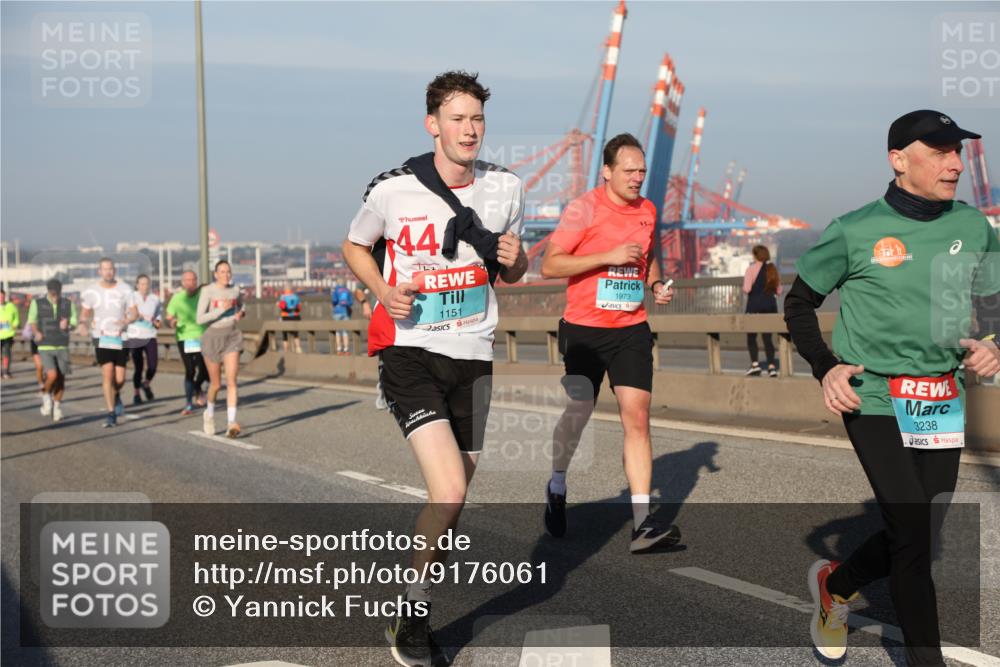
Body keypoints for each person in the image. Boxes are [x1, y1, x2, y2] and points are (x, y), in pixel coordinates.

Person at [784, 109, 1000, 665]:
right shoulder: (855, 229)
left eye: (958, 151)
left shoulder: (974, 227)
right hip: (875, 396)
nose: (956, 163)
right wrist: (826, 366)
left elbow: (992, 301)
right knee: (910, 530)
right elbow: (799, 302)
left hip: (941, 398)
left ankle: (836, 586)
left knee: (920, 532)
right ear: (899, 160)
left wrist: (993, 340)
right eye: (940, 151)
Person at [342, 70, 526, 667]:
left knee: (455, 497)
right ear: (433, 125)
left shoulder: (506, 190)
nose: (469, 130)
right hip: (411, 352)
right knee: (446, 489)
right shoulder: (392, 190)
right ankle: (415, 615)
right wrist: (383, 288)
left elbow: (513, 272)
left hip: (474, 357)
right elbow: (353, 246)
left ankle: (407, 601)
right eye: (458, 119)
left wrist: (519, 260)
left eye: (477, 119)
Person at [540, 132, 679, 554]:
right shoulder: (583, 209)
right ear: (607, 171)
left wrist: (654, 281)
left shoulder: (648, 210)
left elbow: (646, 253)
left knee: (636, 416)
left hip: (631, 328)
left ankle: (642, 524)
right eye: (629, 170)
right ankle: (557, 482)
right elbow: (550, 264)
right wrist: (607, 256)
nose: (637, 178)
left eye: (642, 170)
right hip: (584, 330)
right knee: (579, 411)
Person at [79, 258, 138, 428]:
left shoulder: (125, 289)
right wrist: (83, 324)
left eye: (110, 269)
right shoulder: (92, 291)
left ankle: (116, 393)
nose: (108, 272)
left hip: (120, 337)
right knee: (108, 373)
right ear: (99, 271)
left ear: (115, 270)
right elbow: (85, 313)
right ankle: (111, 413)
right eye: (104, 269)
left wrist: (128, 320)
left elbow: (134, 313)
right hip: (102, 336)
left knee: (119, 379)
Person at [197, 260, 245, 438]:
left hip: (231, 336)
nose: (226, 275)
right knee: (216, 384)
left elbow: (240, 304)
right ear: (215, 274)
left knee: (232, 381)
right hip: (212, 337)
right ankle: (209, 415)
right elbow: (200, 319)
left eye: (228, 272)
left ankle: (231, 422)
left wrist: (240, 312)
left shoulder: (235, 290)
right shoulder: (208, 290)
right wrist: (219, 310)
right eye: (222, 272)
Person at [28, 279, 77, 422]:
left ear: (61, 291)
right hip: (45, 346)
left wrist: (68, 325)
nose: (54, 296)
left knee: (61, 379)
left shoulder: (69, 304)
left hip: (63, 346)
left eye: (57, 293)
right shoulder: (37, 303)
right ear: (48, 291)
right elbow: (32, 321)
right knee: (52, 375)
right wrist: (36, 332)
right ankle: (46, 395)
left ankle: (57, 407)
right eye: (52, 293)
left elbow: (74, 322)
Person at [165, 270, 209, 415]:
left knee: (204, 369)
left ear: (196, 281)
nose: (190, 283)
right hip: (184, 338)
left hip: (202, 336)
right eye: (187, 280)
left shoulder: (203, 295)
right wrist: (172, 322)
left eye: (193, 280)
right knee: (190, 370)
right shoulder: (177, 298)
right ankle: (189, 403)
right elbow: (169, 316)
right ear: (183, 283)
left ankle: (197, 387)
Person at [742, 244, 783, 377]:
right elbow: (779, 290)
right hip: (770, 307)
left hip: (754, 307)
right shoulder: (772, 269)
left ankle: (755, 365)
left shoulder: (751, 269)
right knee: (767, 338)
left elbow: (747, 289)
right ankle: (772, 367)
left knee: (751, 337)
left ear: (755, 256)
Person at [126, 274, 162, 404]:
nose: (144, 286)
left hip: (150, 335)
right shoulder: (132, 297)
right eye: (141, 284)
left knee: (153, 365)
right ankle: (136, 394)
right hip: (135, 336)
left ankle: (146, 384)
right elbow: (129, 314)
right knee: (139, 367)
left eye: (146, 284)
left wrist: (157, 322)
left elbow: (158, 316)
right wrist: (135, 315)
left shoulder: (155, 299)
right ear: (137, 285)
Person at [0, 289, 20, 379]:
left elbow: (16, 317)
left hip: (8, 334)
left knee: (6, 353)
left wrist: (15, 325)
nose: (1, 298)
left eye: (2, 296)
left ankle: (6, 371)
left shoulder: (11, 306)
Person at [277, 285, 302, 354]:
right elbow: (299, 308)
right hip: (295, 317)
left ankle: (286, 352)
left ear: (285, 290)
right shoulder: (296, 296)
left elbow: (282, 306)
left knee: (285, 335)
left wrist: (278, 305)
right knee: (296, 335)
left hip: (286, 317)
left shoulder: (283, 297)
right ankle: (298, 349)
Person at [331, 280, 353, 355]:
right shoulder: (347, 290)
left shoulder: (336, 290)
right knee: (345, 331)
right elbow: (351, 302)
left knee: (337, 331)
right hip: (345, 311)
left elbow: (334, 300)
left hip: (337, 311)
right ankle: (346, 349)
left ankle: (339, 349)